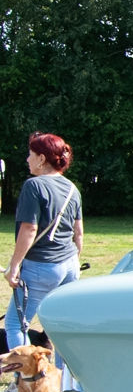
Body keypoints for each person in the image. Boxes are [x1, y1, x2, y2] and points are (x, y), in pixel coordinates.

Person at [5, 132, 83, 354]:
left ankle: (25, 382)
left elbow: (29, 229)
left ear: (41, 158)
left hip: (41, 266)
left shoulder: (34, 186)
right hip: (69, 264)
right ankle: (65, 381)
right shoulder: (72, 189)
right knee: (60, 328)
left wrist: (14, 265)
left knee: (15, 325)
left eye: (30, 155)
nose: (27, 159)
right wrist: (73, 263)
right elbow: (79, 233)